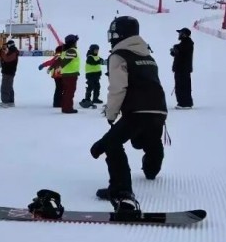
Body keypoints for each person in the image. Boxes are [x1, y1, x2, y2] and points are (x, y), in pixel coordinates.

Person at [90, 16, 168, 215]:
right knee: (150, 138)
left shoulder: (119, 55)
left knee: (112, 144)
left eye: (114, 35)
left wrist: (111, 113)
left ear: (121, 35)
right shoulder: (147, 54)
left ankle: (121, 190)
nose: (111, 39)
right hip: (158, 109)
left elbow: (118, 87)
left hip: (136, 110)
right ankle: (151, 169)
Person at [170, 27, 194, 109]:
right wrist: (174, 51)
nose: (179, 35)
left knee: (182, 86)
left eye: (180, 33)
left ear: (184, 35)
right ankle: (183, 102)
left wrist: (175, 49)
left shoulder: (186, 43)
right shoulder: (184, 44)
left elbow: (181, 51)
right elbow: (178, 53)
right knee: (181, 85)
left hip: (183, 69)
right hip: (181, 68)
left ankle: (184, 103)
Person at [56, 35, 81, 113]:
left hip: (67, 74)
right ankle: (67, 108)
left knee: (67, 91)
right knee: (69, 92)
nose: (76, 43)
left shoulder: (65, 51)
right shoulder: (71, 51)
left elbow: (60, 60)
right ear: (73, 42)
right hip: (70, 74)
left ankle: (65, 107)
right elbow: (65, 61)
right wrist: (59, 67)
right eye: (75, 41)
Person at [0, 40, 18, 107]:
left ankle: (5, 102)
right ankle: (10, 101)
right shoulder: (12, 51)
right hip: (8, 71)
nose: (7, 46)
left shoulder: (13, 51)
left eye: (7, 45)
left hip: (8, 72)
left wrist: (2, 53)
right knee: (9, 86)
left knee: (5, 86)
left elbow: (7, 59)